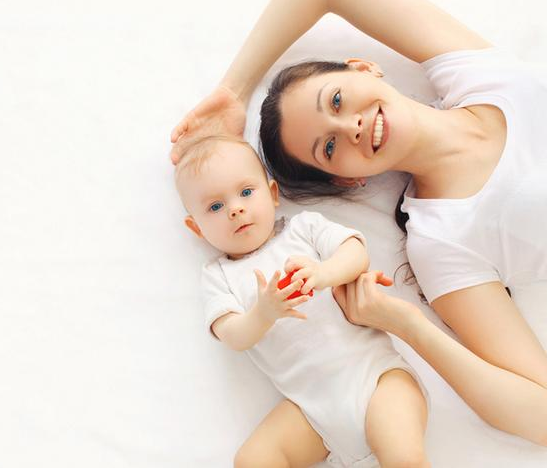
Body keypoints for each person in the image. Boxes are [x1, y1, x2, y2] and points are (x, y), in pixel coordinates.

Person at [171, 0, 547, 448]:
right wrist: (406, 324)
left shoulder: (475, 71)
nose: (350, 126)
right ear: (346, 181)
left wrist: (234, 91)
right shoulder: (443, 239)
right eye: (329, 148)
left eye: (337, 100)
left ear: (365, 69)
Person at [174, 133, 430, 467]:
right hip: (311, 410)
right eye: (215, 207)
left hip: (376, 377)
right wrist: (263, 313)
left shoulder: (303, 229)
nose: (235, 209)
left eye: (246, 192)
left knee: (401, 455)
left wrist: (324, 273)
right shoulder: (218, 276)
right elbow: (233, 335)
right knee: (252, 460)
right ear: (196, 228)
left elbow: (355, 253)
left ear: (272, 194)